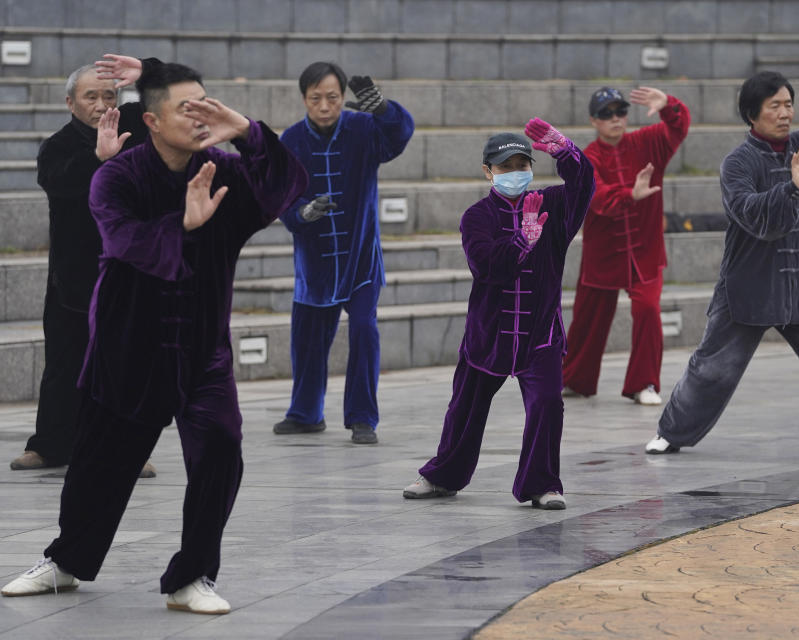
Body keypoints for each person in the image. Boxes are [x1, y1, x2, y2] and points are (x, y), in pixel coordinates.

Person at [1, 60, 308, 614]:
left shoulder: (223, 171)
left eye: (206, 106)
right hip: (127, 347)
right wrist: (182, 226)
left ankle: (192, 576)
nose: (200, 118)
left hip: (201, 350)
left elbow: (284, 187)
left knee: (221, 448)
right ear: (152, 121)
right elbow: (120, 240)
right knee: (98, 467)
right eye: (186, 110)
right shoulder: (117, 175)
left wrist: (247, 130)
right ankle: (66, 563)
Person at [645, 73, 799, 462]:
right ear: (752, 115)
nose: (784, 113)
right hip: (746, 284)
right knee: (714, 368)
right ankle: (672, 431)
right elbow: (755, 218)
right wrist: (792, 188)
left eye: (788, 104)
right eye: (774, 106)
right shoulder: (736, 163)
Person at [402, 118, 595, 509]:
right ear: (488, 171)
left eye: (522, 166)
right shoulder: (476, 217)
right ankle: (442, 477)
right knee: (465, 408)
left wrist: (564, 150)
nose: (515, 174)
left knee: (546, 405)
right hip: (489, 333)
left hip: (539, 333)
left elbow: (584, 186)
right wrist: (521, 242)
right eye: (505, 168)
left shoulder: (551, 206)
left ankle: (542, 484)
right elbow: (486, 268)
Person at [9, 60, 155, 477]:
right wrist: (99, 157)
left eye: (108, 95)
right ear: (70, 102)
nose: (100, 104)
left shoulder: (134, 127)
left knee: (126, 364)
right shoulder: (57, 146)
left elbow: (173, 90)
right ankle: (51, 445)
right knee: (64, 363)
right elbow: (60, 183)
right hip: (73, 278)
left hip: (129, 270)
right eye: (90, 96)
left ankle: (129, 449)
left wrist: (144, 71)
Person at [272, 62, 415, 444]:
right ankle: (305, 414)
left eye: (332, 97)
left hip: (361, 259)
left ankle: (362, 418)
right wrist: (303, 213)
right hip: (314, 261)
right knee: (307, 340)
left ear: (342, 98)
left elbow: (401, 135)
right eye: (315, 98)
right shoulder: (290, 141)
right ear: (304, 99)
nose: (324, 106)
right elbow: (282, 198)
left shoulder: (363, 128)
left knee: (365, 331)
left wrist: (382, 110)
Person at [562, 85, 690, 406]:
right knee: (587, 322)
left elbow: (678, 127)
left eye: (620, 111)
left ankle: (643, 383)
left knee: (647, 309)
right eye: (606, 114)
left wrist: (668, 104)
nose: (616, 119)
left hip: (645, 252)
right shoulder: (586, 158)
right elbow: (597, 197)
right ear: (593, 120)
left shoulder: (648, 141)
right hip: (603, 255)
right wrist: (629, 195)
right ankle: (573, 379)